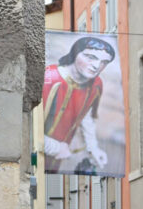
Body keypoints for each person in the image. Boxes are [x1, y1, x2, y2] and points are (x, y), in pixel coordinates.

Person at [43, 36, 115, 172]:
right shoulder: (49, 78)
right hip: (39, 154)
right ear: (75, 53)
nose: (96, 66)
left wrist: (93, 148)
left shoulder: (96, 84)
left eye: (104, 62)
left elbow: (86, 116)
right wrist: (55, 148)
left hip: (58, 156)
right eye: (91, 57)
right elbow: (29, 127)